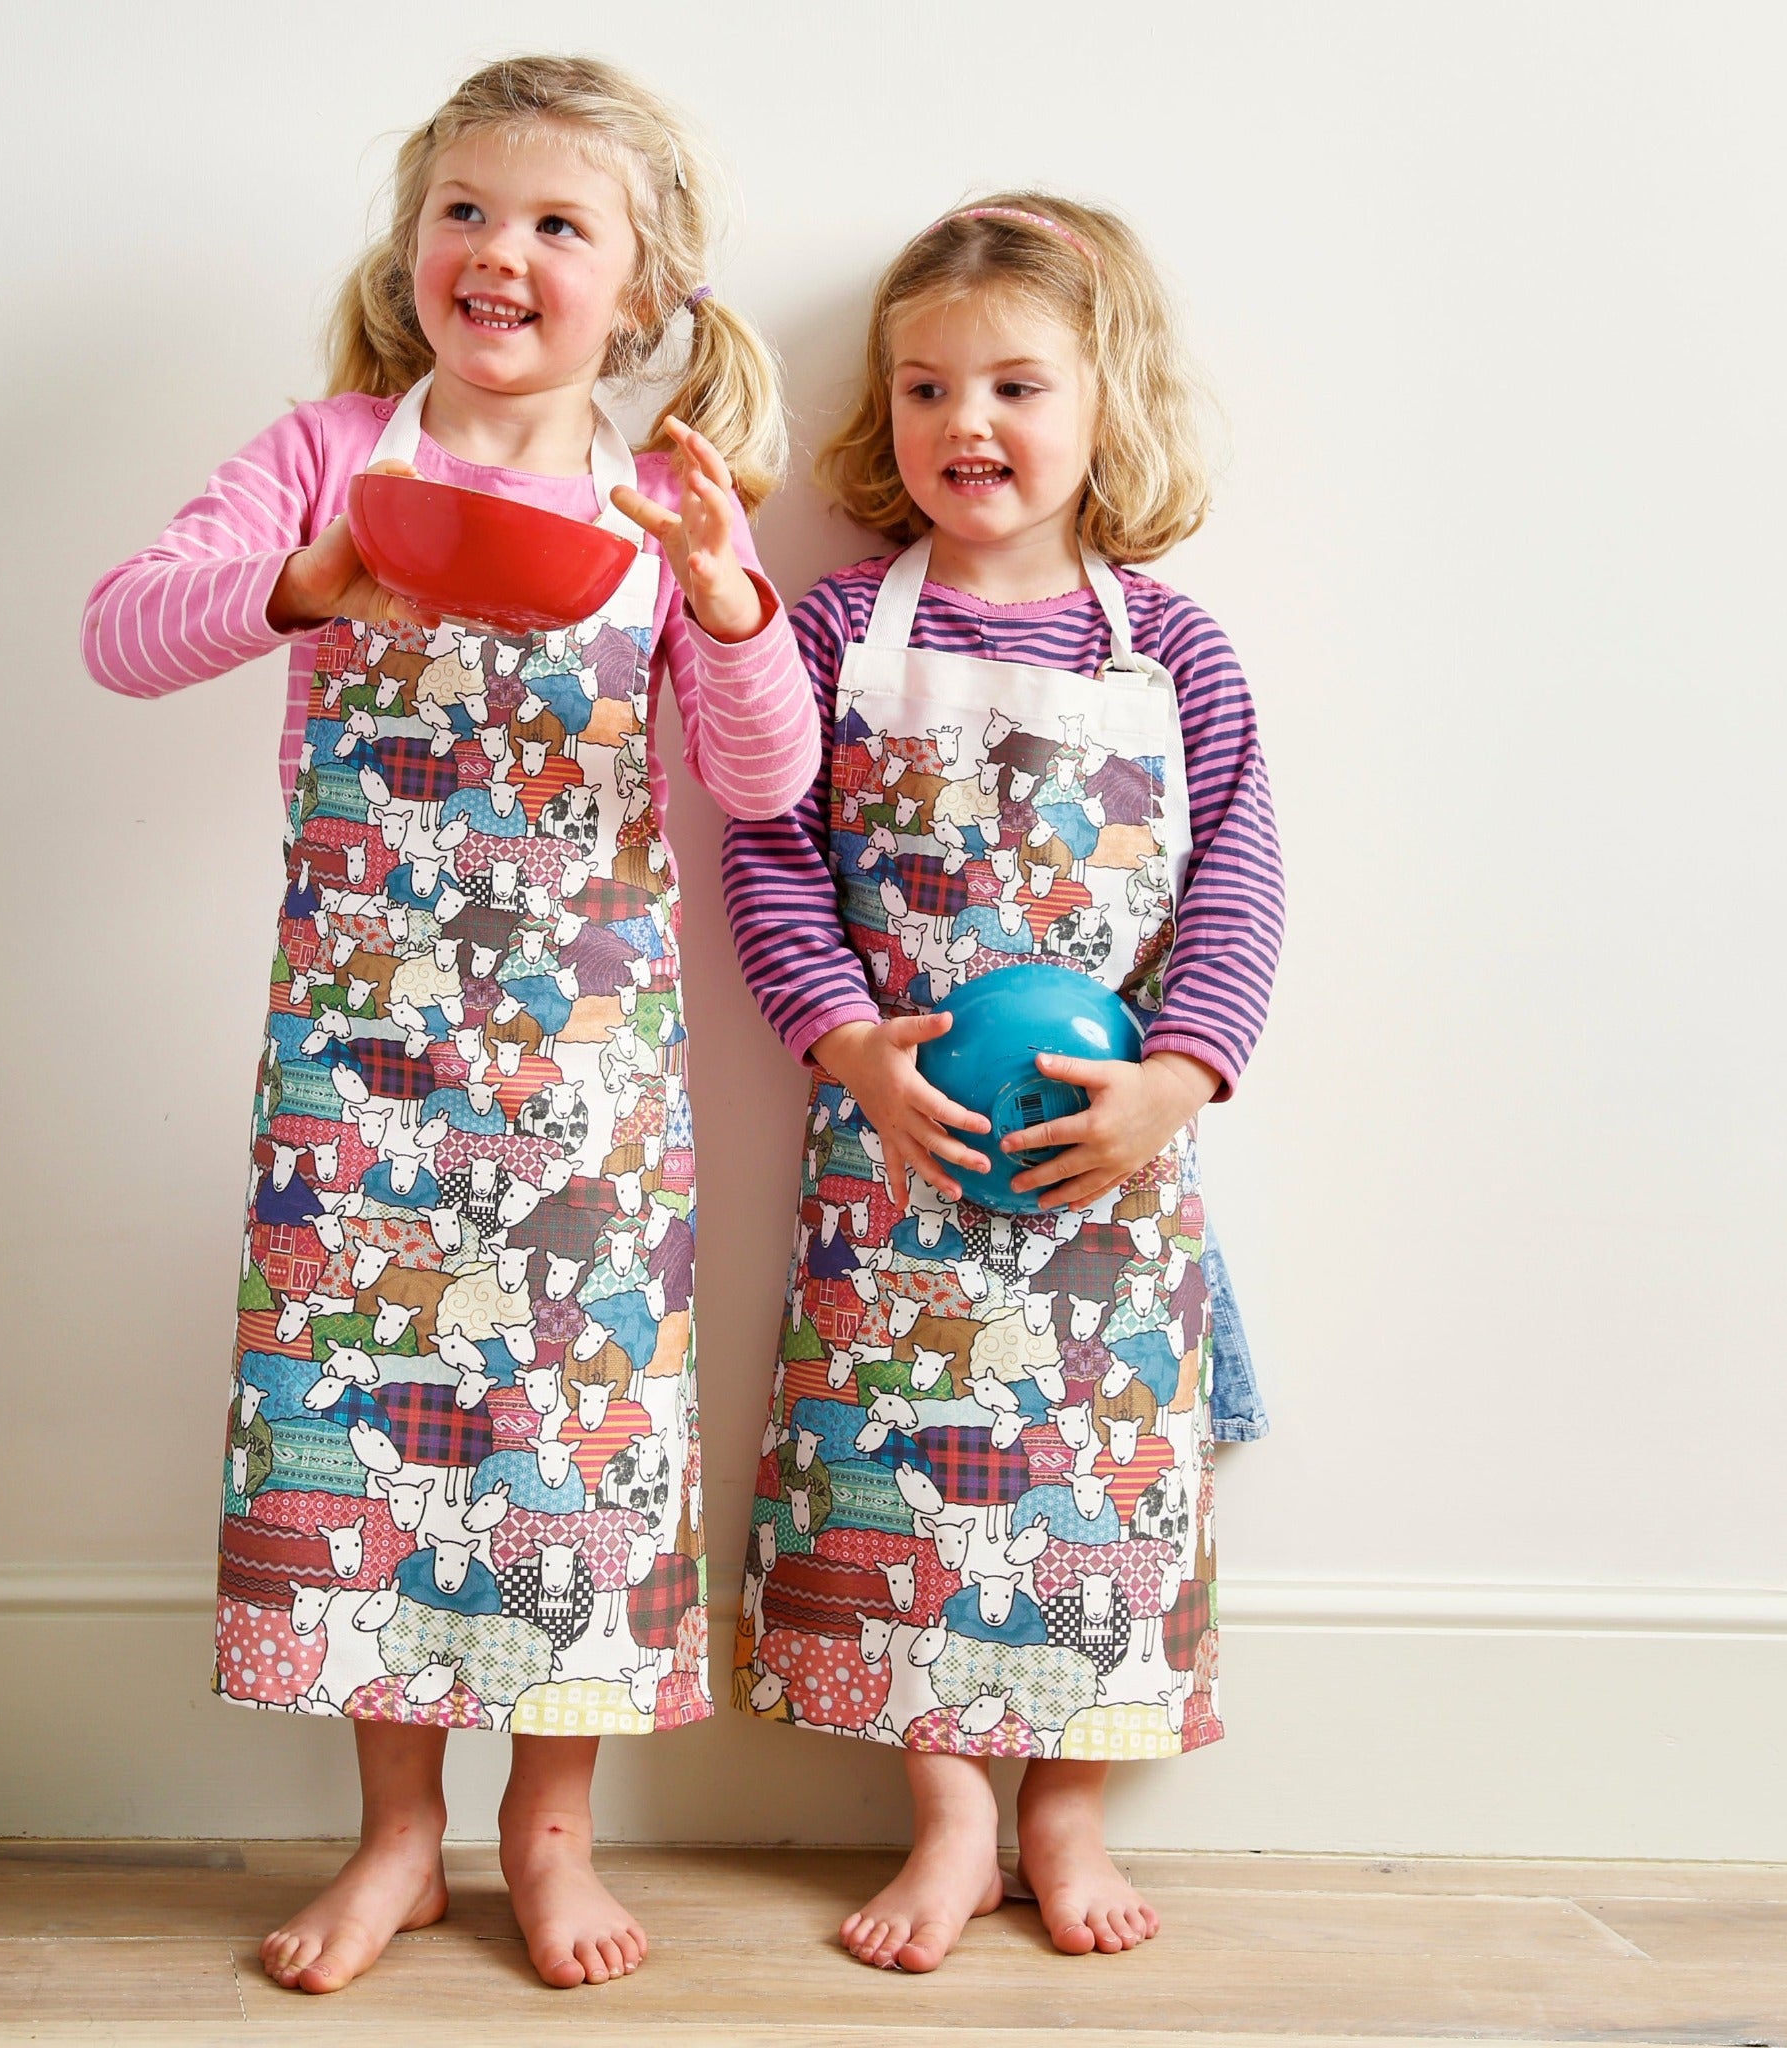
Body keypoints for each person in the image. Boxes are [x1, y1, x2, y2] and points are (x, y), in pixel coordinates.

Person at [81, 53, 817, 1996]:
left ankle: (542, 1831)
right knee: (365, 1440)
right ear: (413, 249)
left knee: (556, 1452)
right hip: (356, 1052)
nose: (499, 252)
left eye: (557, 224)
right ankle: (396, 1833)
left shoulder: (660, 492)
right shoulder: (329, 454)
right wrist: (303, 585)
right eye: (465, 212)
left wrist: (735, 612)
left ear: (640, 293)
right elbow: (123, 625)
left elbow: (762, 784)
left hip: (580, 1082)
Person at [724, 195, 1283, 1971]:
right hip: (902, 1140)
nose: (969, 425)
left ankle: (1066, 1810)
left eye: (1017, 387)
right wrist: (842, 1048)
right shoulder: (830, 629)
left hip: (1103, 1160)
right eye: (925, 387)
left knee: (1092, 1480)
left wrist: (1180, 1080)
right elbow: (767, 854)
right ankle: (954, 1814)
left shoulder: (1172, 649)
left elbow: (1240, 878)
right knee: (920, 1471)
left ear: (1104, 405)